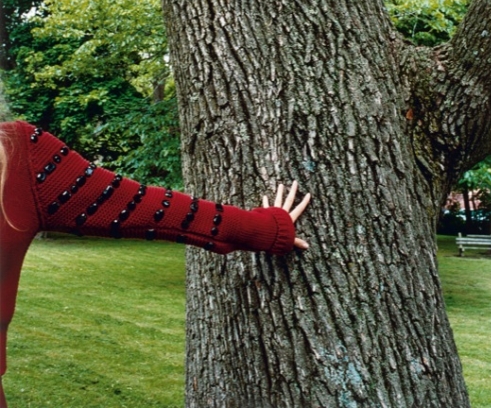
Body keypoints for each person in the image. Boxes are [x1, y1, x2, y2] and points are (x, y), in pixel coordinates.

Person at [0, 120, 310, 407]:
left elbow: (140, 206)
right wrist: (267, 229)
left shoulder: (18, 155)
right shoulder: (18, 152)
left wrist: (262, 230)